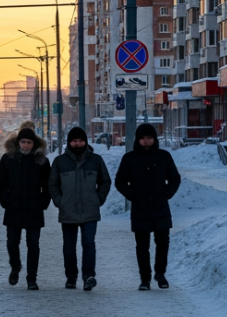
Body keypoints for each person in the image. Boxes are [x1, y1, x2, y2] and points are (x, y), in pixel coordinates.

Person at [114, 123, 182, 290]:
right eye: (143, 138)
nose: (146, 141)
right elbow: (120, 181)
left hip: (160, 207)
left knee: (163, 242)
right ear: (138, 140)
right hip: (140, 208)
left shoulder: (163, 156)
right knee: (142, 245)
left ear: (154, 139)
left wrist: (166, 193)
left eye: (149, 138)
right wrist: (132, 195)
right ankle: (145, 279)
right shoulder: (129, 158)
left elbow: (174, 178)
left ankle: (161, 274)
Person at [49, 126, 111, 291]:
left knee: (88, 243)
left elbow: (105, 181)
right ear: (69, 142)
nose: (78, 144)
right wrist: (59, 201)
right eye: (74, 141)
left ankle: (88, 276)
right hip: (67, 210)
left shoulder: (96, 160)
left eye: (80, 141)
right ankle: (71, 277)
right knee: (69, 246)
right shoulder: (60, 162)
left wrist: (98, 199)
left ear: (85, 141)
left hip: (90, 210)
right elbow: (52, 184)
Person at [0, 124, 51, 290]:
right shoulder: (8, 159)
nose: (25, 145)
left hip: (34, 208)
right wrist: (5, 200)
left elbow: (48, 185)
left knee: (33, 245)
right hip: (13, 207)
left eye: (29, 142)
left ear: (34, 143)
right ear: (18, 142)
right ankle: (15, 266)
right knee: (12, 242)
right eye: (23, 142)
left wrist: (43, 202)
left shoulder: (41, 161)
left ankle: (31, 279)